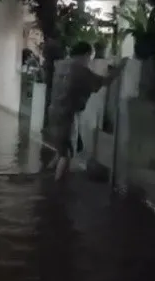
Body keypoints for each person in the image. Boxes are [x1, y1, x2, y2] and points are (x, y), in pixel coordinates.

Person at [46, 41, 125, 181]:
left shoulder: (61, 65)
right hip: (66, 114)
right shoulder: (80, 70)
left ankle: (45, 175)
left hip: (53, 111)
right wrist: (120, 68)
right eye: (89, 56)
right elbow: (103, 82)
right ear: (86, 54)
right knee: (67, 153)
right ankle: (57, 186)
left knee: (60, 148)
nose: (89, 60)